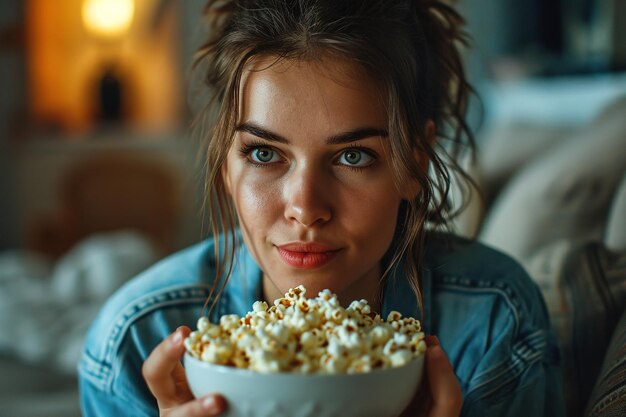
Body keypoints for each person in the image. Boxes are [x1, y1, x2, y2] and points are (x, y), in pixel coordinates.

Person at [78, 0, 565, 416]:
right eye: (264, 153)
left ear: (414, 163)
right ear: (225, 162)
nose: (305, 208)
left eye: (354, 157)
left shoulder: (492, 325)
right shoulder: (133, 344)